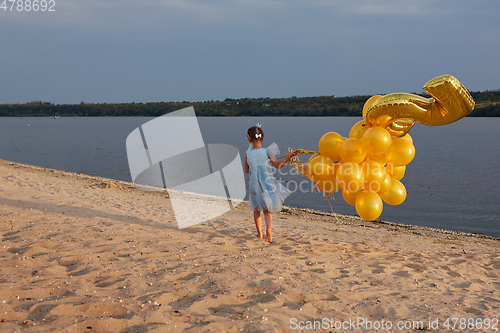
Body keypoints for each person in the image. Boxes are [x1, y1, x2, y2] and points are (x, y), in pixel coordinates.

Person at [244, 125, 297, 243]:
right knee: (267, 210)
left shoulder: (247, 154)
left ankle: (259, 233)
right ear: (263, 139)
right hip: (268, 183)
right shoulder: (267, 151)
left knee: (256, 210)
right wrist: (289, 156)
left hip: (254, 185)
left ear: (249, 140)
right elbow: (278, 165)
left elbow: (246, 170)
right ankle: (268, 229)